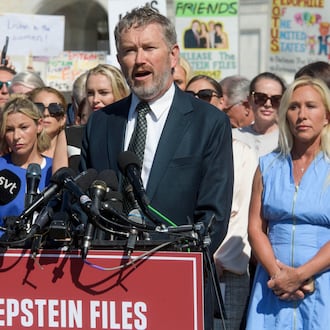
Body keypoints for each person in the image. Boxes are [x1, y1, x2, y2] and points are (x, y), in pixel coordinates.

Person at [80, 6, 234, 329]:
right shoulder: (101, 123)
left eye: (149, 48)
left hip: (176, 285)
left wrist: (163, 260)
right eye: (129, 51)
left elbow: (213, 217)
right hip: (107, 289)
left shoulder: (209, 123)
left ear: (173, 54)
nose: (139, 60)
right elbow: (83, 203)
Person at [246, 77, 330, 329]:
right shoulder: (267, 166)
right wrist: (278, 276)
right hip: (272, 285)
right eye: (294, 107)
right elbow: (255, 228)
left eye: (310, 106)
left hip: (321, 281)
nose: (301, 114)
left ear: (326, 115)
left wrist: (300, 276)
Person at [186, 75, 258, 330]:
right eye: (190, 97)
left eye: (205, 96)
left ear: (222, 101)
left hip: (228, 269)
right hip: (185, 266)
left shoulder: (243, 153)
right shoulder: (181, 152)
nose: (198, 102)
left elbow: (242, 215)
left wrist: (214, 260)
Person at [0, 96, 52, 233]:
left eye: (23, 127)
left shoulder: (54, 169)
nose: (16, 136)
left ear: (39, 125)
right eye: (9, 129)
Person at [233, 72, 286, 157]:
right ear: (250, 99)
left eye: (276, 99)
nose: (268, 104)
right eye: (261, 98)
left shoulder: (287, 140)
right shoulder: (233, 137)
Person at [28, 87, 67, 159]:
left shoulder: (73, 154)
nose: (46, 114)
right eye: (38, 108)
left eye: (54, 108)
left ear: (63, 119)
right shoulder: (16, 152)